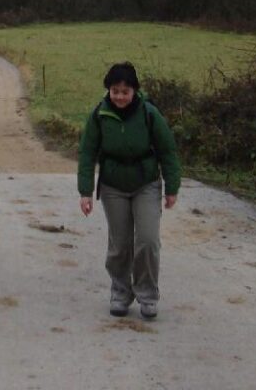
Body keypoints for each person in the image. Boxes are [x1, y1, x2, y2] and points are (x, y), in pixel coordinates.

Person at [77, 61, 181, 320]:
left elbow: (167, 150)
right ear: (108, 90)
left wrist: (172, 187)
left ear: (135, 90)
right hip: (113, 186)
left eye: (125, 91)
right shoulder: (99, 115)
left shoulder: (149, 114)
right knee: (120, 245)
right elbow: (87, 153)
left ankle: (147, 295)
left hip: (146, 184)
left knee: (147, 240)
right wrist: (85, 191)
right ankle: (120, 292)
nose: (120, 96)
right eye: (115, 91)